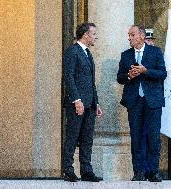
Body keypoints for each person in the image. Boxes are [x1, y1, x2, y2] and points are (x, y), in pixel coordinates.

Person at [117, 25, 167, 182]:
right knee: (136, 136)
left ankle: (153, 172)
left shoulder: (155, 52)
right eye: (129, 35)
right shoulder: (126, 55)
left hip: (152, 101)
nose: (129, 38)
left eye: (132, 35)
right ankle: (138, 172)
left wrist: (146, 71)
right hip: (134, 101)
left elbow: (162, 73)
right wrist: (129, 75)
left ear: (141, 36)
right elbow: (120, 78)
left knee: (153, 136)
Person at [63, 22, 103, 182]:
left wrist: (96, 103)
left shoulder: (87, 53)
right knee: (72, 137)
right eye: (93, 34)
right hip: (77, 104)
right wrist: (76, 100)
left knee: (87, 138)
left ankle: (86, 170)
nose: (95, 37)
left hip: (90, 104)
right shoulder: (73, 52)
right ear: (85, 34)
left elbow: (90, 82)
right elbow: (69, 77)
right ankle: (68, 169)